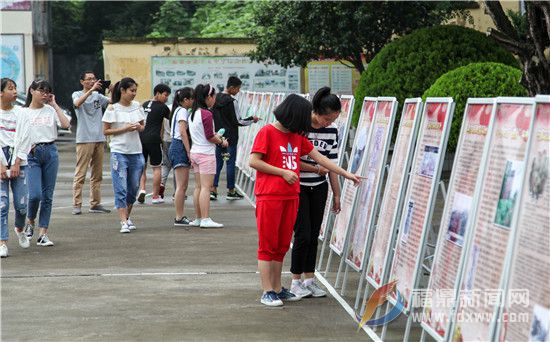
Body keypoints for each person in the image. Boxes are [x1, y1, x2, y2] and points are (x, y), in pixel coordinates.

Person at [249, 93, 360, 307]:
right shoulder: (267, 132)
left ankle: (279, 288)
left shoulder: (297, 137)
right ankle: (267, 290)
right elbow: (254, 161)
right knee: (268, 245)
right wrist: (282, 172)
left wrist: (347, 175)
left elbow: (323, 159)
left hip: (291, 196)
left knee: (281, 245)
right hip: (270, 196)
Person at [290, 87, 342, 298]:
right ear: (317, 111)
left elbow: (333, 165)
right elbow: (292, 160)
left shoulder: (333, 131)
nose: (328, 123)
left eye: (333, 119)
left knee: (314, 235)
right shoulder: (300, 127)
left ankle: (310, 280)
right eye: (326, 118)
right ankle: (295, 281)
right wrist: (315, 168)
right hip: (298, 187)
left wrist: (337, 194)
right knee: (302, 234)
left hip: (319, 188)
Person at [22, 80, 71, 246]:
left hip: (50, 151)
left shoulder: (50, 110)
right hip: (31, 155)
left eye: (47, 92)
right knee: (35, 194)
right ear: (31, 91)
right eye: (41, 91)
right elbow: (18, 136)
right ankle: (30, 221)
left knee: (48, 195)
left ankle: (43, 233)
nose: (44, 94)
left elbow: (66, 124)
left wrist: (55, 105)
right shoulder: (23, 113)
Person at [102, 77, 145, 234]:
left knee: (133, 187)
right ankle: (123, 221)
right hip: (119, 151)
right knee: (120, 186)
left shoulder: (137, 106)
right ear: (122, 90)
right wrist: (124, 129)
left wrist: (138, 127)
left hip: (136, 151)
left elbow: (142, 125)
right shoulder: (113, 109)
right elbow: (105, 131)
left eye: (135, 91)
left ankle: (127, 216)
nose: (133, 94)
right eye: (131, 90)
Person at [211, 76, 258, 200]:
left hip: (219, 138)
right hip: (231, 140)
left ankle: (213, 190)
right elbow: (239, 121)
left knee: (218, 163)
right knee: (230, 163)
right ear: (231, 87)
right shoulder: (232, 102)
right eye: (237, 88)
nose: (238, 91)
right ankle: (231, 191)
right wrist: (252, 119)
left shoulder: (215, 99)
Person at [71, 71, 112, 215]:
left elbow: (112, 102)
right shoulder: (77, 94)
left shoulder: (98, 96)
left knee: (97, 174)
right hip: (84, 139)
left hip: (99, 138)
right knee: (81, 173)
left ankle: (95, 204)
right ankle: (77, 204)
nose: (92, 81)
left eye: (93, 79)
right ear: (82, 81)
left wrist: (113, 90)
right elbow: (77, 103)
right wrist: (91, 91)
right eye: (88, 79)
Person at [188, 84, 228, 228]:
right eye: (214, 96)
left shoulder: (192, 112)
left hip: (195, 152)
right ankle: (205, 219)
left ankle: (199, 218)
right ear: (208, 97)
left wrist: (216, 137)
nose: (215, 99)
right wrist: (222, 141)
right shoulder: (206, 113)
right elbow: (210, 136)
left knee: (198, 187)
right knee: (206, 187)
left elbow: (204, 135)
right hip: (206, 153)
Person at [0, 78, 31, 257]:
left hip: (19, 161)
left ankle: (19, 228)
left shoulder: (22, 113)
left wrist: (17, 162)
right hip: (1, 163)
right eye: (10, 89)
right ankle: (3, 242)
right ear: (1, 93)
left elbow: (25, 138)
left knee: (21, 205)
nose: (14, 91)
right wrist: (1, 165)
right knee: (2, 205)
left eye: (15, 88)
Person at [137, 84, 171, 204]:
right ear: (157, 93)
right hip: (154, 139)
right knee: (157, 167)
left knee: (142, 166)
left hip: (141, 138)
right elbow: (171, 121)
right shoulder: (163, 107)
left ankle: (142, 189)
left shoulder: (144, 104)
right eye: (165, 95)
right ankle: (155, 196)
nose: (166, 98)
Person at [168, 87, 194, 226]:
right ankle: (179, 217)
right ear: (185, 100)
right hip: (179, 147)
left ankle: (180, 216)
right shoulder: (183, 111)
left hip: (175, 146)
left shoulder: (178, 110)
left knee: (181, 186)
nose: (193, 101)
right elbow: (183, 132)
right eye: (192, 98)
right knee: (181, 186)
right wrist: (189, 151)